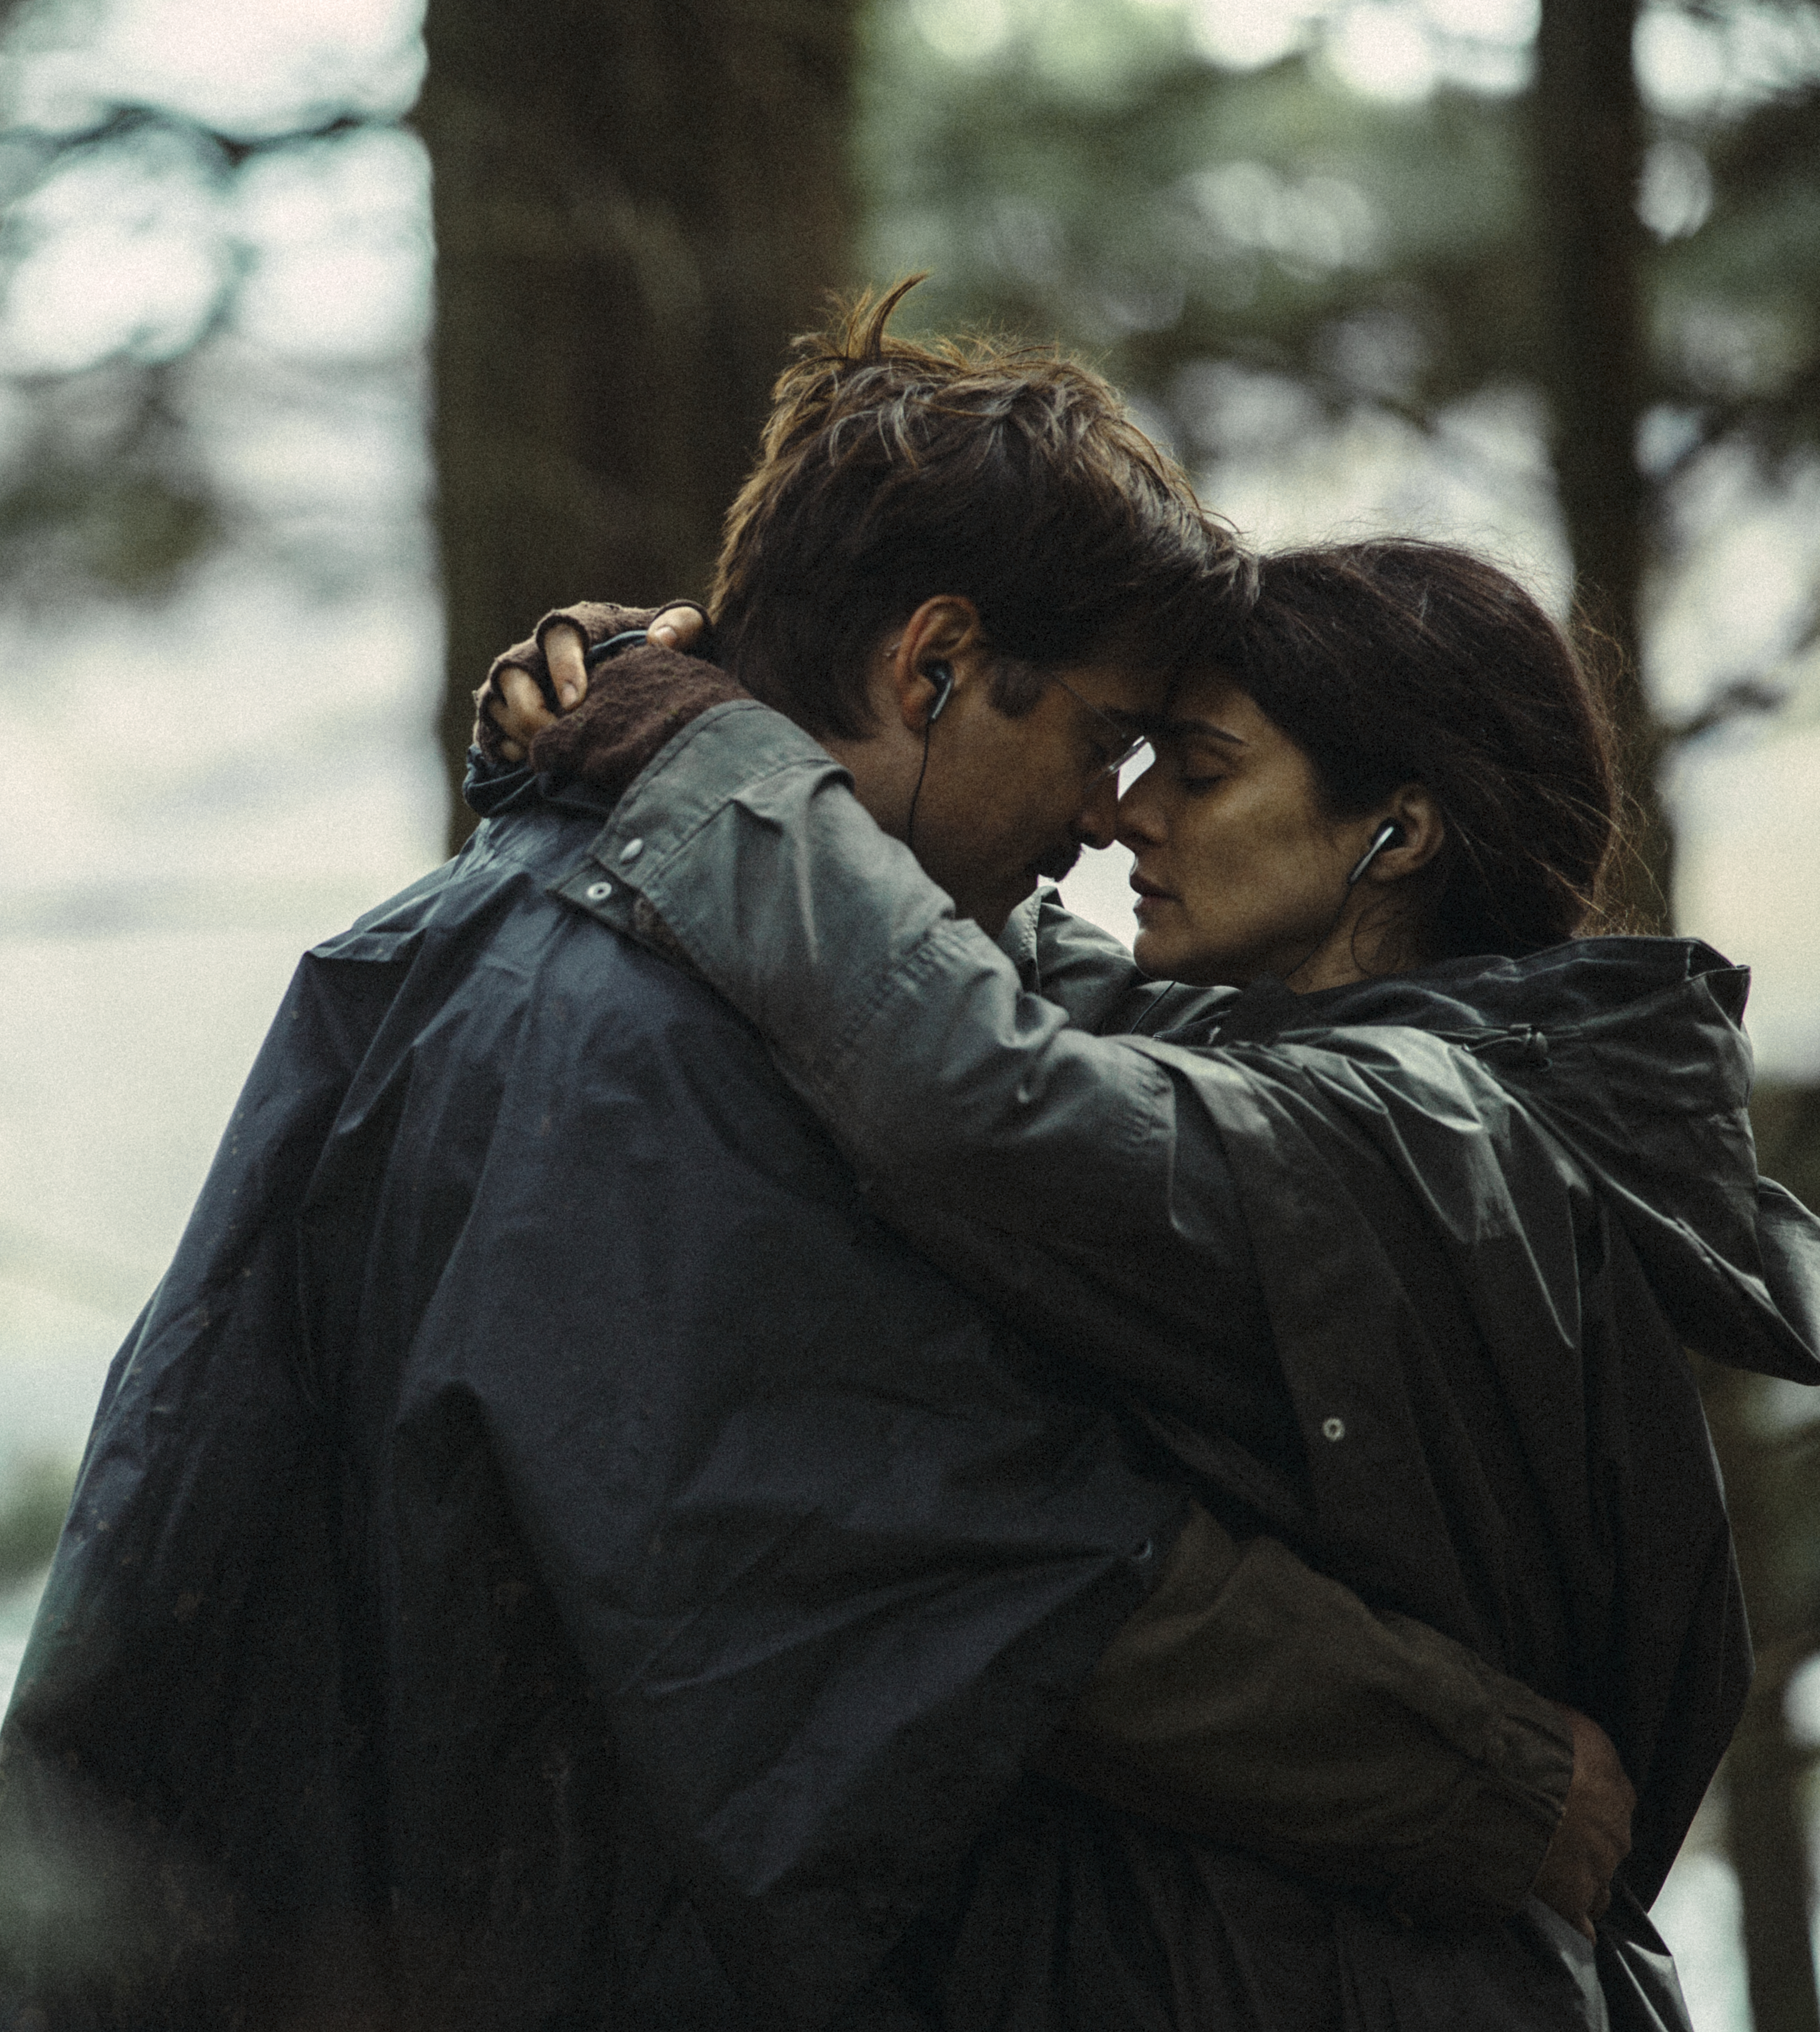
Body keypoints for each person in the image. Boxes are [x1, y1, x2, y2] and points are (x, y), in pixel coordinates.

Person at [0, 302, 1631, 2032]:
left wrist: (676, 734)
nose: (1101, 817)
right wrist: (1500, 1788)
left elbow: (1015, 1060)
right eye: (1108, 738)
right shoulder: (649, 1035)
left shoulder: (582, 933)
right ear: (934, 667)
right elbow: (965, 1558)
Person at [479, 534, 1820, 2026]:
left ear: (1401, 830)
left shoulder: (1425, 1131)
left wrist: (709, 757)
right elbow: (998, 969)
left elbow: (980, 1092)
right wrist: (723, 706)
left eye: (1199, 770)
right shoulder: (1317, 1064)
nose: (1123, 817)